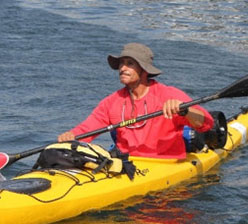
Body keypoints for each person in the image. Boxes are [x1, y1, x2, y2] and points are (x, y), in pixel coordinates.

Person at [58, 43, 214, 159]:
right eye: (121, 63)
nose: (122, 68)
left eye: (130, 64)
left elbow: (206, 123)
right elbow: (89, 127)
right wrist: (72, 135)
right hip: (126, 164)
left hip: (166, 164)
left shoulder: (169, 94)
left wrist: (185, 110)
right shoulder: (112, 101)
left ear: (144, 70)